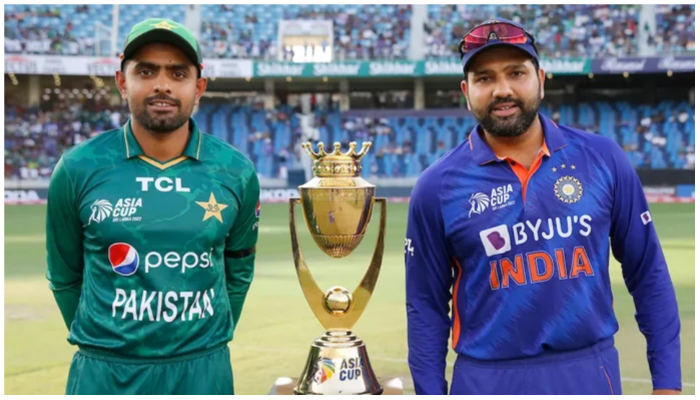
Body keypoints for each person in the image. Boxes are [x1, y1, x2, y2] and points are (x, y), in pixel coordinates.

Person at [404, 18, 681, 395]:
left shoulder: (603, 159)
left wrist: (668, 385)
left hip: (588, 373)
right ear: (466, 92)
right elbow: (425, 308)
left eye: (516, 72)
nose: (503, 89)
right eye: (485, 78)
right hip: (485, 380)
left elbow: (649, 274)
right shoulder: (436, 187)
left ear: (542, 79)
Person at [45, 18, 260, 395]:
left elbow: (238, 272)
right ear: (122, 81)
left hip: (203, 371)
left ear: (199, 87)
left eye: (178, 73)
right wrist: (108, 341)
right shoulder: (78, 167)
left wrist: (200, 342)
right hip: (104, 373)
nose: (162, 84)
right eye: (146, 71)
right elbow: (65, 277)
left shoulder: (236, 170)